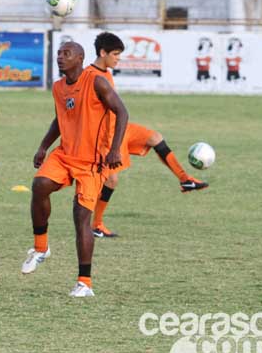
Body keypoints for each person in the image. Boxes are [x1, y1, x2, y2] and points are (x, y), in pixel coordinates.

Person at [22, 41, 128, 297]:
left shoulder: (96, 81)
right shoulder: (59, 87)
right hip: (65, 154)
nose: (60, 57)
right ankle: (41, 247)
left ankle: (84, 283)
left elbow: (122, 112)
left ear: (79, 58)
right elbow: (60, 119)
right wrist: (43, 146)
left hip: (91, 162)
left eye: (66, 54)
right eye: (58, 53)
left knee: (80, 218)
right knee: (39, 186)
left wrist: (115, 150)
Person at [89, 32, 209, 238]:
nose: (118, 58)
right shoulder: (90, 76)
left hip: (119, 128)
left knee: (155, 137)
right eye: (115, 54)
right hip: (104, 137)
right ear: (103, 52)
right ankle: (96, 225)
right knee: (111, 181)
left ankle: (185, 179)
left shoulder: (106, 73)